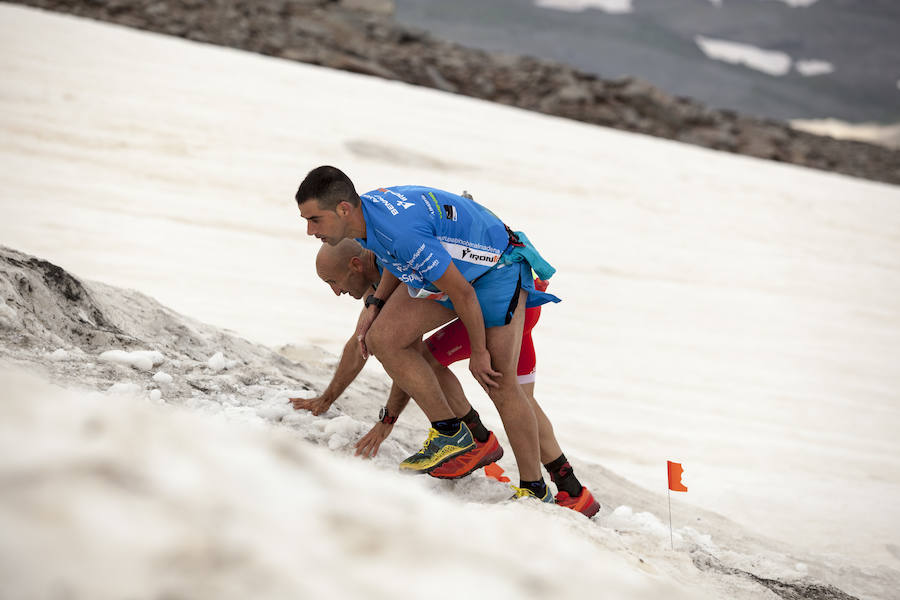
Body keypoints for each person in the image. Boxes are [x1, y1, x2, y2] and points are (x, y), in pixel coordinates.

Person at [294, 164, 589, 509]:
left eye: (314, 220)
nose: (309, 230)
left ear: (343, 208)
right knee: (384, 338)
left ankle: (534, 489)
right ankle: (451, 432)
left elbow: (462, 292)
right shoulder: (364, 218)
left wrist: (479, 351)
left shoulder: (400, 232)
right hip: (454, 273)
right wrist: (375, 302)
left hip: (496, 271)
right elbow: (393, 260)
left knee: (498, 381)